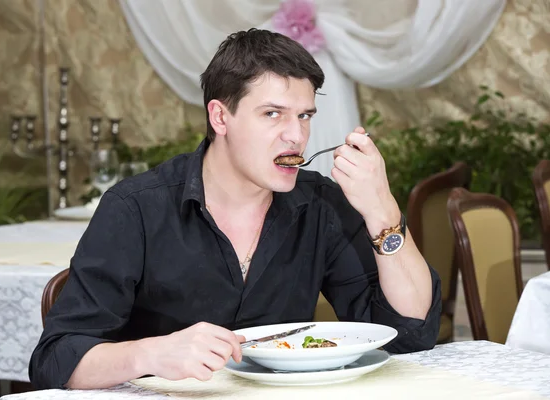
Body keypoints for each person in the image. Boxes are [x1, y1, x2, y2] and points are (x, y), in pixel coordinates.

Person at [29, 28, 441, 390]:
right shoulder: (135, 209)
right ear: (220, 117)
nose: (295, 135)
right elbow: (56, 359)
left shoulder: (320, 204)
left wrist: (382, 209)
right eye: (272, 114)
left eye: (305, 116)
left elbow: (409, 336)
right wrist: (152, 354)